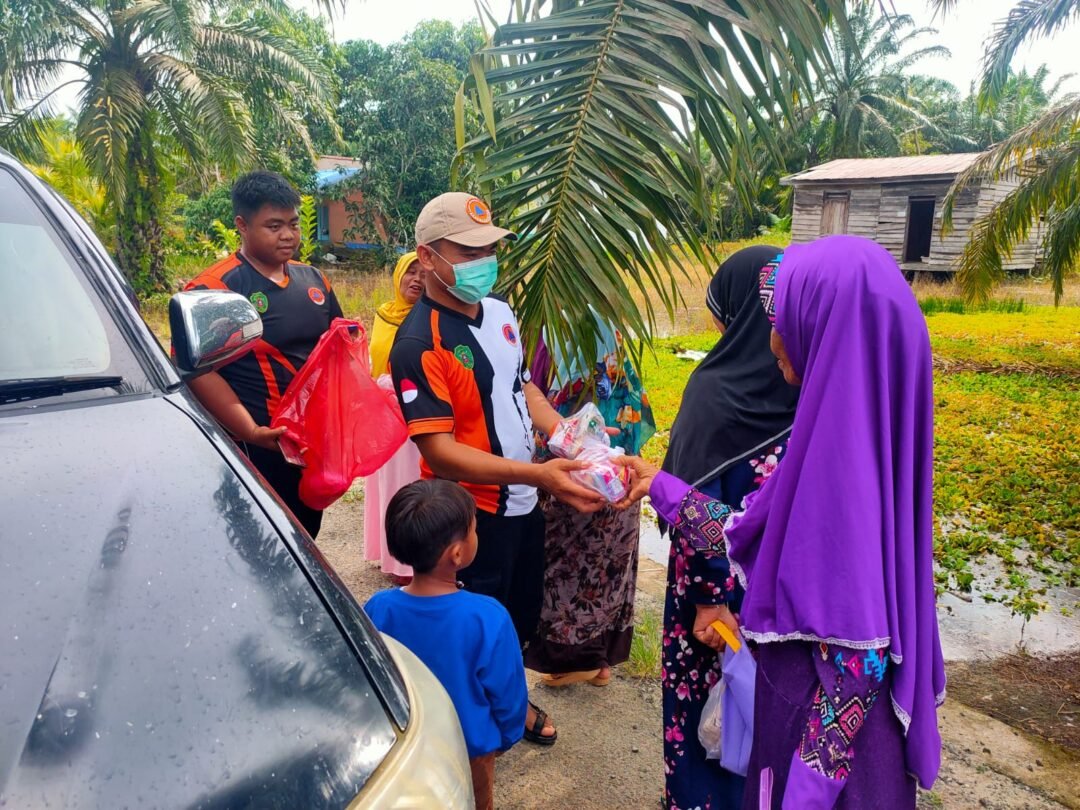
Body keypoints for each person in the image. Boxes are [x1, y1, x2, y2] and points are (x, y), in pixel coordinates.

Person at [618, 235, 946, 809]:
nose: (772, 339)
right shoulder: (844, 442)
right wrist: (660, 485)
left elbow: (858, 662)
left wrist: (807, 789)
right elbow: (752, 532)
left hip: (817, 752)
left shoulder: (844, 477)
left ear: (831, 332)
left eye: (786, 319)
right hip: (793, 719)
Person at [389, 192, 606, 746]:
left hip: (524, 502)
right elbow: (437, 450)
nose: (483, 260)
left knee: (514, 616)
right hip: (473, 513)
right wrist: (537, 474)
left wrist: (564, 439)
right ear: (428, 258)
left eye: (489, 248)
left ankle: (510, 701)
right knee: (469, 619)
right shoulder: (418, 341)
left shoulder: (501, 313)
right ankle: (453, 721)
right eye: (467, 250)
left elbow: (520, 386)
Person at [655, 246, 798, 810]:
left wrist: (707, 600)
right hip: (779, 595)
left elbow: (694, 504)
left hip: (714, 605)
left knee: (705, 721)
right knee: (762, 718)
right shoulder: (808, 387)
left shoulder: (714, 392)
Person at [185, 170, 342, 538]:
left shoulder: (314, 280)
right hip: (253, 448)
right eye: (273, 226)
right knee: (254, 542)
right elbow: (199, 372)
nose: (288, 235)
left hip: (309, 445)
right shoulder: (215, 289)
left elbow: (338, 348)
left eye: (293, 224)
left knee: (305, 536)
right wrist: (251, 431)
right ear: (242, 224)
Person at [364, 479, 527, 810]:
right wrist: (506, 737)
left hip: (405, 745)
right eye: (474, 530)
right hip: (471, 748)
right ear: (457, 553)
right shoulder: (488, 617)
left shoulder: (378, 608)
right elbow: (507, 692)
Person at [525, 320, 655, 687]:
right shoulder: (618, 377)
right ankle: (598, 661)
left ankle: (577, 659)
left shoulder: (569, 376)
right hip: (618, 478)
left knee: (570, 569)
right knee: (607, 570)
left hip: (578, 478)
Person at [363, 251, 424, 581]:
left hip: (417, 413)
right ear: (397, 277)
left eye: (422, 273)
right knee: (387, 484)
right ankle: (389, 554)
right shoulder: (384, 316)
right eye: (409, 272)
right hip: (383, 414)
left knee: (411, 483)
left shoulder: (432, 319)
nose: (416, 279)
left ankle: (412, 561)